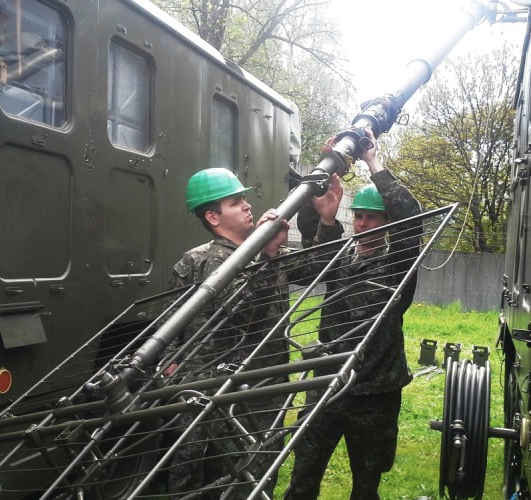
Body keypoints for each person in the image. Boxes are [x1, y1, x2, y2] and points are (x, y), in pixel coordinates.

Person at [163, 167, 343, 498]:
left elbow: (321, 266)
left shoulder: (269, 256)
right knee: (211, 475)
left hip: (267, 386)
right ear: (213, 217)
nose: (247, 205)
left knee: (261, 469)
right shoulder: (198, 261)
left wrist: (327, 222)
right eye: (236, 202)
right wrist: (169, 364)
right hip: (219, 389)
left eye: (245, 199)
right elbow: (229, 319)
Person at [284, 133, 423, 500]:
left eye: (371, 219)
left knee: (366, 486)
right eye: (358, 217)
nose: (361, 225)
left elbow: (412, 220)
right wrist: (327, 214)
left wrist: (373, 161)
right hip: (327, 385)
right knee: (302, 477)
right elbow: (310, 264)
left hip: (374, 392)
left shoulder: (398, 266)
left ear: (386, 223)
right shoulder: (341, 257)